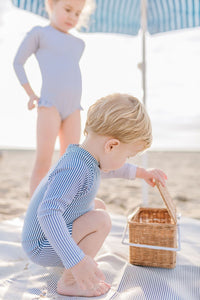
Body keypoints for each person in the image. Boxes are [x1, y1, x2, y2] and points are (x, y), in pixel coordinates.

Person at [21, 93, 167, 297]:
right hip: (41, 246)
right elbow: (48, 213)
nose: (126, 160)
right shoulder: (76, 168)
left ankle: (70, 264)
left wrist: (142, 173)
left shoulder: (87, 158)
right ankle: (70, 279)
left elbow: (115, 169)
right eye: (127, 155)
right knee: (101, 220)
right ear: (111, 146)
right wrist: (77, 261)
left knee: (97, 206)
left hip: (47, 240)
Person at [13, 0, 94, 196]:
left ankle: (61, 209)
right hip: (49, 104)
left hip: (74, 108)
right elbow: (18, 63)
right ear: (51, 5)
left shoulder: (78, 44)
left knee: (70, 164)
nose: (72, 17)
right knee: (43, 161)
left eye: (78, 13)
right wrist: (31, 94)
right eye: (67, 10)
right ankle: (34, 214)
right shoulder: (40, 34)